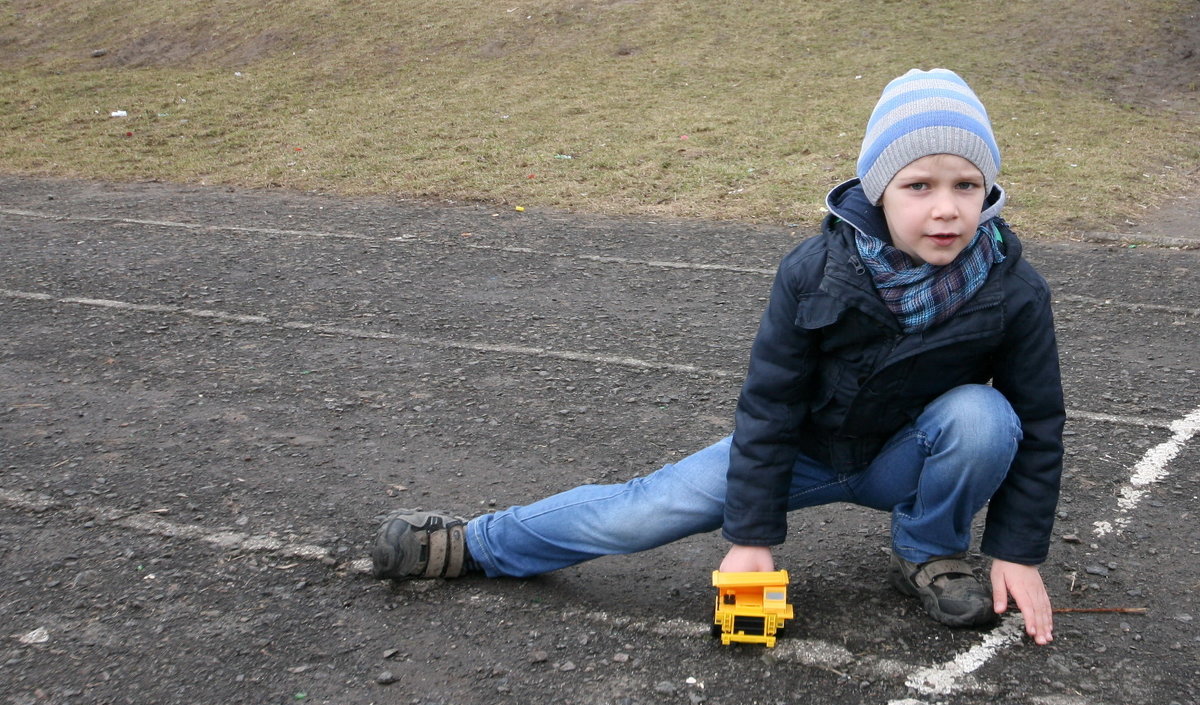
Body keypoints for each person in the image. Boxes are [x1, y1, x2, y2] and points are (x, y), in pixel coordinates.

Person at [372, 68, 1064, 646]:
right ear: (879, 188)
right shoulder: (816, 270)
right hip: (807, 448)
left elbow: (1038, 422)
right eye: (920, 185)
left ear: (988, 191)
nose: (946, 208)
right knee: (642, 508)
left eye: (966, 186)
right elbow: (771, 403)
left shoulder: (1012, 287)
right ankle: (482, 542)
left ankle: (929, 550)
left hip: (905, 455)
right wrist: (753, 535)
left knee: (984, 417)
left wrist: (1016, 549)